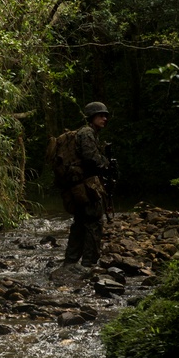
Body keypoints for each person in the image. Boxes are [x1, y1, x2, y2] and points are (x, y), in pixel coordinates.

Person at [63, 101, 111, 268]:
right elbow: (90, 158)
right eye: (100, 115)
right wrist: (106, 164)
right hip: (84, 186)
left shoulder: (87, 133)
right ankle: (88, 263)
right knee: (93, 221)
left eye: (106, 116)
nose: (104, 118)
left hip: (79, 186)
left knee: (80, 222)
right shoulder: (88, 133)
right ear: (92, 117)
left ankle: (70, 261)